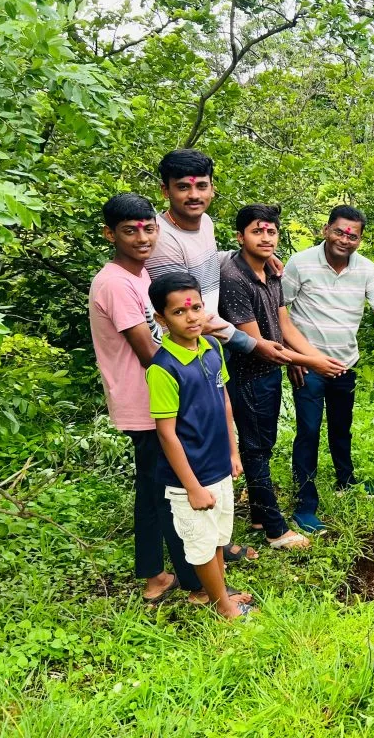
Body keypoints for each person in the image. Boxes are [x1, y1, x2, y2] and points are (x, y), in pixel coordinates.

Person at [147, 149, 287, 562]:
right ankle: (200, 555)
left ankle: (219, 542)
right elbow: (186, 312)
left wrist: (255, 255)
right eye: (183, 187)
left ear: (212, 188)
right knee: (191, 444)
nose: (194, 195)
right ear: (166, 190)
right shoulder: (162, 240)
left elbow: (209, 265)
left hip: (207, 352)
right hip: (182, 354)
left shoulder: (204, 224)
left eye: (201, 186)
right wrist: (252, 343)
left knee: (217, 438)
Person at [88, 193, 202, 605]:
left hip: (153, 400)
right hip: (147, 403)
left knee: (154, 490)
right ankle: (196, 584)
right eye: (130, 231)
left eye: (149, 229)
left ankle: (155, 575)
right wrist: (194, 384)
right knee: (170, 493)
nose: (142, 238)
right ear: (110, 234)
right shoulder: (115, 283)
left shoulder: (141, 276)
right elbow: (149, 353)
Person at [219, 204, 349, 549]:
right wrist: (313, 363)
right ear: (240, 237)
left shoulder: (272, 272)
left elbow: (284, 325)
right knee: (256, 449)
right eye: (257, 231)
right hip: (248, 374)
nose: (265, 238)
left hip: (269, 376)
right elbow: (259, 346)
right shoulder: (234, 279)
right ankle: (275, 530)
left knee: (263, 443)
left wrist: (316, 357)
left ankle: (259, 515)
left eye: (271, 231)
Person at [282, 204, 374, 532]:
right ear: (326, 230)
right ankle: (305, 504)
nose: (344, 239)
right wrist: (296, 357)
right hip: (308, 366)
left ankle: (346, 481)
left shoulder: (366, 269)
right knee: (309, 431)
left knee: (342, 427)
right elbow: (280, 313)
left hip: (344, 364)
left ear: (360, 240)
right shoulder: (300, 263)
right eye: (339, 232)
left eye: (352, 236)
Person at [146, 272, 252, 620]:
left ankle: (220, 592)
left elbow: (224, 402)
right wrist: (191, 486)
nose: (191, 317)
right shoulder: (163, 368)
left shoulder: (212, 348)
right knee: (202, 544)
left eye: (196, 308)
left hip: (218, 464)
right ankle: (224, 606)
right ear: (161, 318)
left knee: (218, 536)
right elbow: (167, 434)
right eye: (179, 312)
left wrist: (233, 452)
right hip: (190, 475)